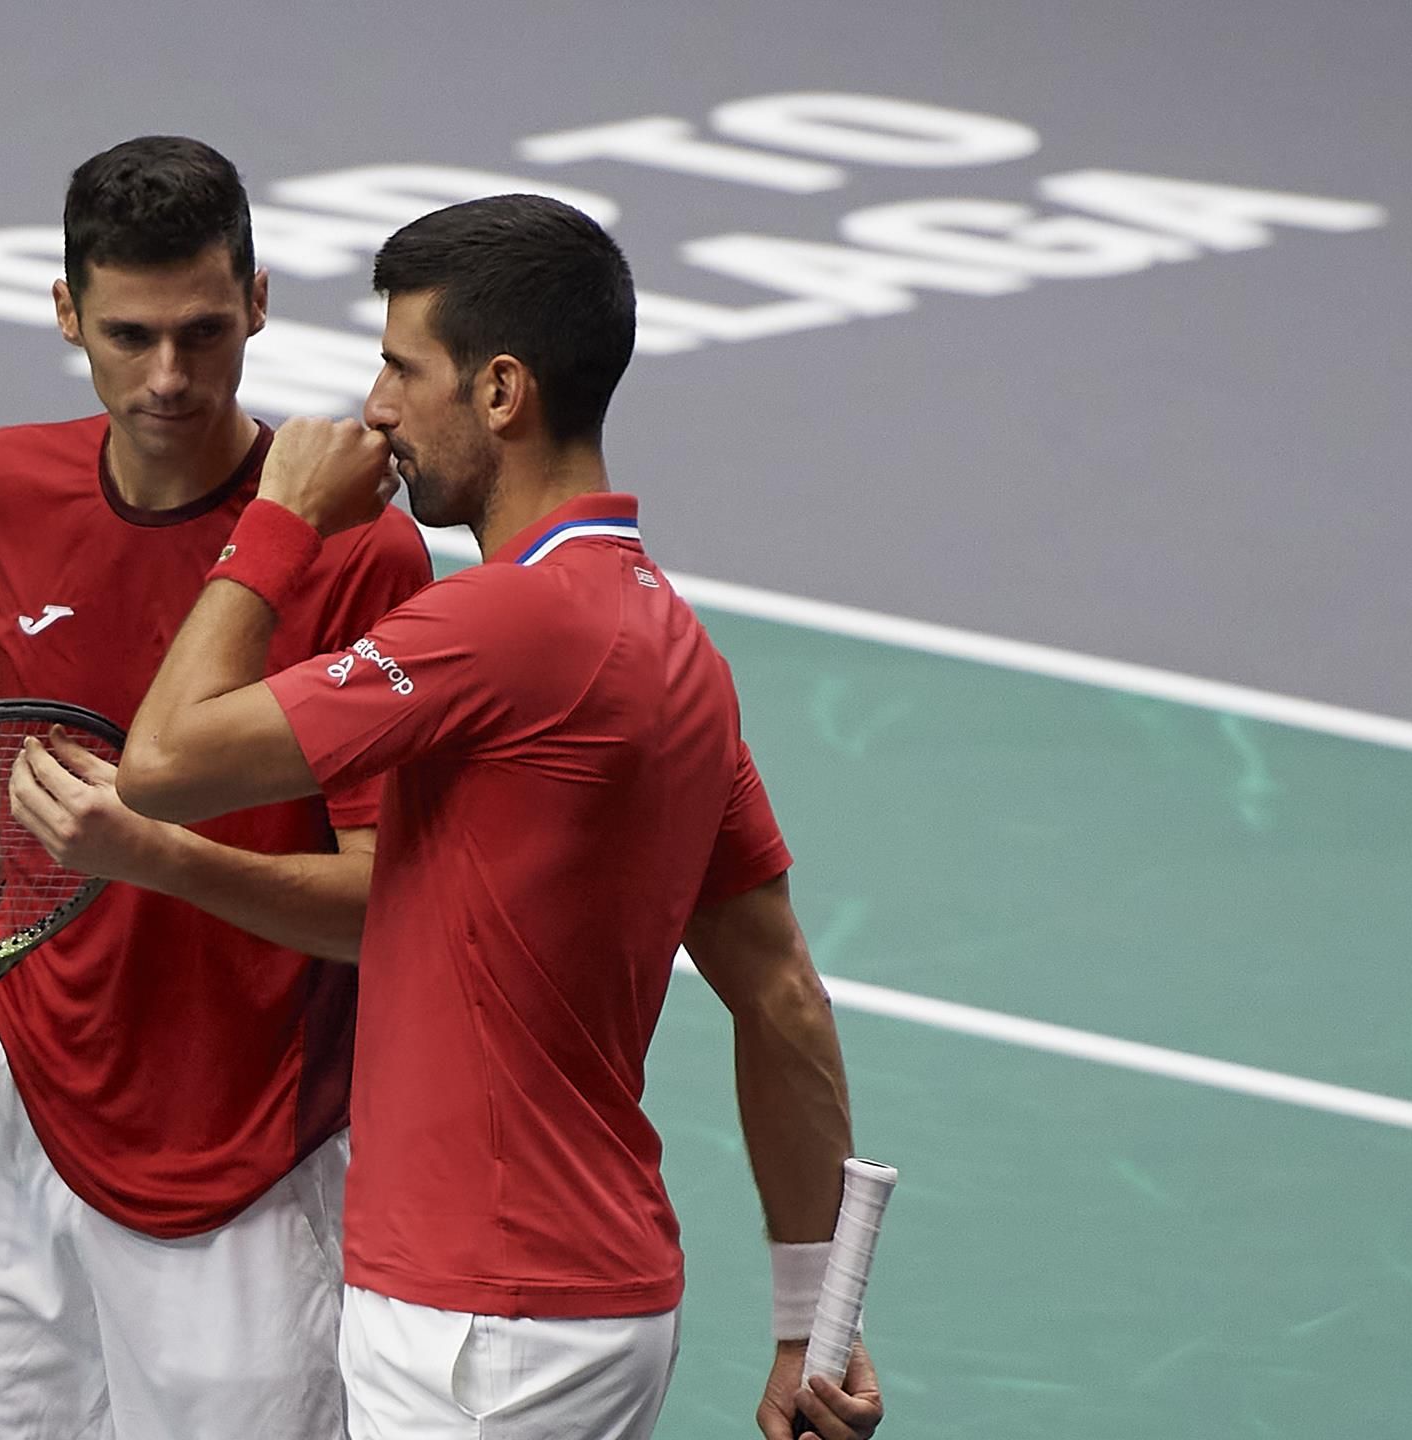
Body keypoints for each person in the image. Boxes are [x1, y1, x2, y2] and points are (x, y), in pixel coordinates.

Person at [116, 194, 888, 1440]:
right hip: (566, 1301)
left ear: (500, 391)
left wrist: (279, 524)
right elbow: (781, 994)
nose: (373, 407)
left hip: (484, 1333)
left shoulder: (499, 628)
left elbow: (161, 759)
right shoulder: (669, 644)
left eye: (399, 367)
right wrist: (813, 1319)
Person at [0, 135, 432, 1439]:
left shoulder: (359, 555)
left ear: (260, 304)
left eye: (206, 332)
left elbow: (391, 907)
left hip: (244, 1161)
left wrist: (151, 853)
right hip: (20, 1116)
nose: (169, 376)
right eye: (130, 335)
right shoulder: (8, 485)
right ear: (66, 315)